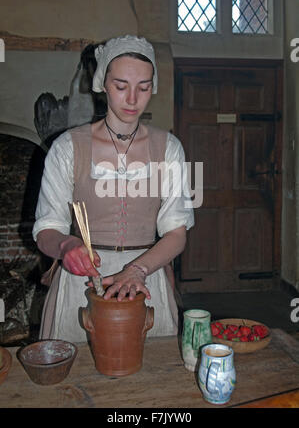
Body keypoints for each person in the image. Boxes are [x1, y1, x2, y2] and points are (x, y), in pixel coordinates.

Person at [33, 35, 194, 343]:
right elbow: (46, 231)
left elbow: (176, 234)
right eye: (121, 86)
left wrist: (137, 270)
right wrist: (66, 246)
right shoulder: (68, 148)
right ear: (102, 84)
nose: (132, 99)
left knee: (148, 382)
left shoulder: (168, 148)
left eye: (143, 87)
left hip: (146, 278)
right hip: (82, 284)